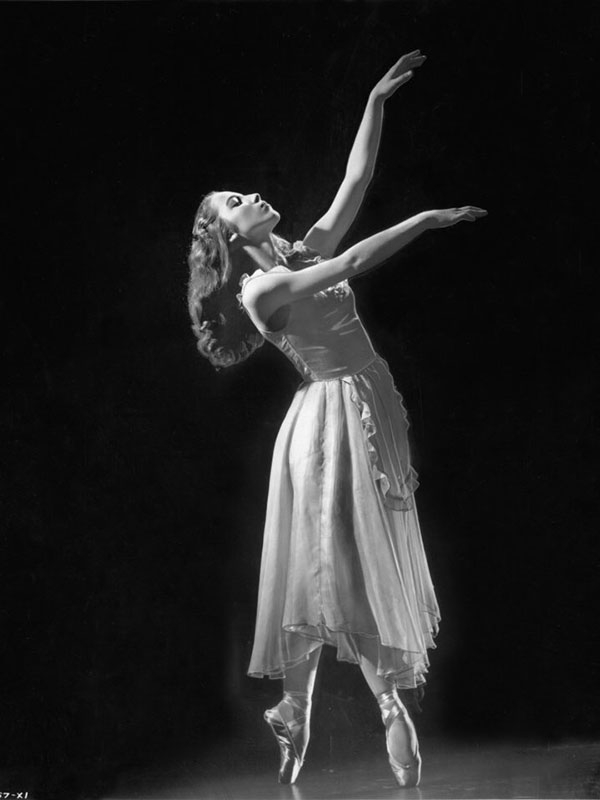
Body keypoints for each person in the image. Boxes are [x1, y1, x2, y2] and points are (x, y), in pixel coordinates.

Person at [187, 49, 487, 788]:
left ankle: (311, 706)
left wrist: (375, 100)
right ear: (227, 236)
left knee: (349, 555)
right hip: (327, 420)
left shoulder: (296, 251)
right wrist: (426, 220)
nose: (253, 195)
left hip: (366, 399)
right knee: (330, 560)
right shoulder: (262, 291)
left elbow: (355, 183)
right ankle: (359, 703)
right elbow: (350, 264)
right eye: (235, 200)